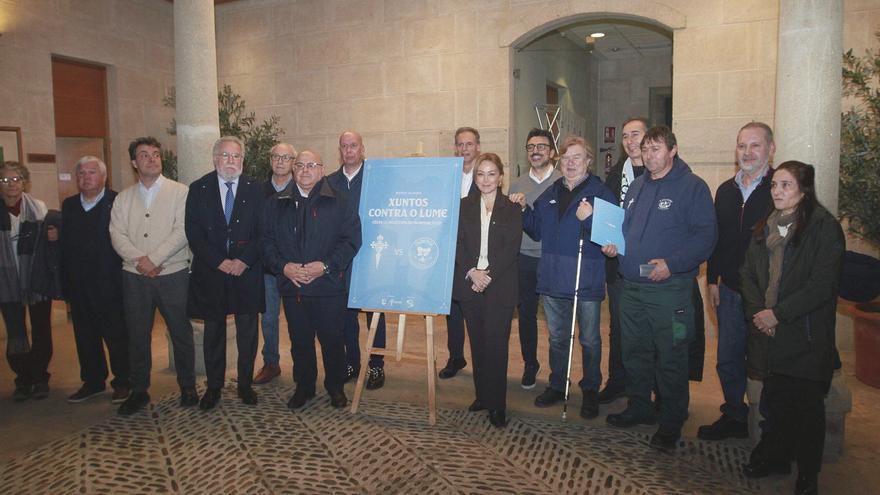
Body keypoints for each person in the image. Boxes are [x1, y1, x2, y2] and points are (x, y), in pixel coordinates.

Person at [603, 126, 717, 452]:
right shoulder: (637, 186)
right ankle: (639, 407)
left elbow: (705, 239)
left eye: (656, 149)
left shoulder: (692, 187)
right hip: (632, 287)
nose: (649, 155)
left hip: (670, 289)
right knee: (634, 353)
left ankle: (671, 421)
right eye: (645, 149)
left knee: (671, 356)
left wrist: (673, 263)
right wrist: (615, 247)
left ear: (673, 150)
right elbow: (626, 231)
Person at [739, 161, 843, 495]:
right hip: (768, 330)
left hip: (804, 333)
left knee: (807, 410)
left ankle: (807, 475)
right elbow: (749, 274)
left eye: (786, 185)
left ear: (804, 189)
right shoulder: (765, 225)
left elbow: (821, 285)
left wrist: (778, 314)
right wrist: (759, 313)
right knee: (775, 402)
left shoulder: (823, 227)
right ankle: (775, 456)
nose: (778, 192)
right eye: (774, 186)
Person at [511, 135, 615, 419]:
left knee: (590, 340)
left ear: (588, 161)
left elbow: (612, 240)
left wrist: (591, 217)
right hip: (554, 277)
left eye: (577, 157)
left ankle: (591, 389)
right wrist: (522, 209)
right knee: (558, 337)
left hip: (586, 277)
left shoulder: (601, 192)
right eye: (566, 158)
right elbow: (535, 230)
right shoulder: (551, 191)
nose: (570, 163)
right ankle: (558, 384)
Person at [261, 149, 361, 410]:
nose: (305, 170)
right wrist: (284, 268)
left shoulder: (340, 201)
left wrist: (325, 266)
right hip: (293, 286)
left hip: (328, 286)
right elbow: (266, 243)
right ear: (293, 170)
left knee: (332, 340)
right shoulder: (276, 203)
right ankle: (304, 387)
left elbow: (351, 241)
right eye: (300, 166)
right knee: (300, 341)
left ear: (322, 169)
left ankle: (335, 387)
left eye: (311, 165)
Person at [698, 122, 775, 440]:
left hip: (766, 296)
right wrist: (713, 280)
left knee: (765, 362)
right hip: (728, 291)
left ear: (771, 149)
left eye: (755, 145)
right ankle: (734, 414)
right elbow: (719, 239)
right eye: (742, 145)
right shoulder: (725, 191)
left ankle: (769, 425)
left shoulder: (779, 190)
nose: (747, 152)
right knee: (728, 357)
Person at [110, 137, 196, 416]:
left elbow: (182, 230)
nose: (152, 159)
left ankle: (188, 386)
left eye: (156, 154)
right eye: (144, 155)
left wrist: (155, 259)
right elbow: (116, 234)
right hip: (134, 277)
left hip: (173, 274)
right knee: (137, 335)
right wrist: (140, 260)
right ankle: (139, 390)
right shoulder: (123, 198)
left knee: (181, 332)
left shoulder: (180, 192)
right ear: (134, 163)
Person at [185, 136, 265, 410]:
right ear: (215, 159)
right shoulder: (198, 188)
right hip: (212, 272)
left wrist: (244, 260)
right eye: (226, 156)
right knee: (214, 333)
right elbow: (193, 232)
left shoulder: (257, 189)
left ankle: (245, 385)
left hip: (247, 271)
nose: (231, 162)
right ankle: (214, 387)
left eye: (236, 157)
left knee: (247, 333)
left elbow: (264, 232)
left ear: (243, 160)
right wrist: (218, 261)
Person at [454, 153, 522, 428]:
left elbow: (511, 249)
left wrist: (487, 275)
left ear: (501, 177)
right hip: (471, 282)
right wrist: (472, 272)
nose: (485, 179)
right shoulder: (463, 206)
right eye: (480, 174)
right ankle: (482, 395)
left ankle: (497, 404)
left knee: (496, 347)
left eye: (491, 173)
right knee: (478, 344)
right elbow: (457, 244)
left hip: (500, 285)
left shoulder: (512, 208)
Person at [61, 156, 130, 404]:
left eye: (92, 172)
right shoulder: (68, 205)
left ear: (103, 177)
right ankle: (92, 381)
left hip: (111, 284)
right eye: (81, 173)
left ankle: (123, 381)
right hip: (79, 286)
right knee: (85, 335)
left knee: (117, 335)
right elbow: (64, 248)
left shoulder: (117, 201)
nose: (86, 177)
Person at [326, 130, 387, 390]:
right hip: (342, 258)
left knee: (375, 313)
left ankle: (376, 365)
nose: (349, 151)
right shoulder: (328, 182)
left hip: (372, 255)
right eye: (344, 146)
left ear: (362, 148)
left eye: (353, 146)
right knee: (345, 314)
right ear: (340, 150)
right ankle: (352, 362)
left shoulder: (377, 178)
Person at [599, 117, 648, 403]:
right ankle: (617, 381)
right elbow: (608, 217)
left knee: (646, 332)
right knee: (617, 327)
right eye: (626, 136)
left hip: (647, 266)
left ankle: (645, 388)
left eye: (636, 134)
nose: (630, 141)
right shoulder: (616, 174)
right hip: (618, 266)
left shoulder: (658, 173)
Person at [0, 161, 58, 401]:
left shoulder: (39, 208)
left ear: (25, 182)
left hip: (35, 278)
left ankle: (40, 376)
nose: (11, 185)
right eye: (4, 180)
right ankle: (23, 378)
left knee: (41, 329)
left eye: (16, 179)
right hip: (5, 281)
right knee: (15, 331)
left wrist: (54, 236)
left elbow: (48, 241)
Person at [508, 128, 561, 389]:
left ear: (551, 152)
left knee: (556, 318)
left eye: (541, 146)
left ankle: (559, 371)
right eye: (530, 147)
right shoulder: (516, 184)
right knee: (526, 315)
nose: (535, 151)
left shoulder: (564, 180)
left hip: (554, 258)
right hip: (525, 258)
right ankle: (531, 363)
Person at [439, 126, 481, 379]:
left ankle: (480, 360)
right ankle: (455, 357)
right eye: (460, 144)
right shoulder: (448, 174)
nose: (464, 149)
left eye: (469, 144)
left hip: (475, 252)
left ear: (478, 146)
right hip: (450, 251)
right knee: (452, 309)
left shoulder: (484, 173)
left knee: (474, 311)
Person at [253, 142, 296, 385]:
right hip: (268, 267)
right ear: (270, 160)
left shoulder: (302, 188)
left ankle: (301, 363)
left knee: (296, 317)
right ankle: (271, 362)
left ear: (293, 162)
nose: (280, 161)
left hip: (293, 268)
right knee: (268, 317)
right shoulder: (257, 191)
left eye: (286, 157)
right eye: (276, 157)